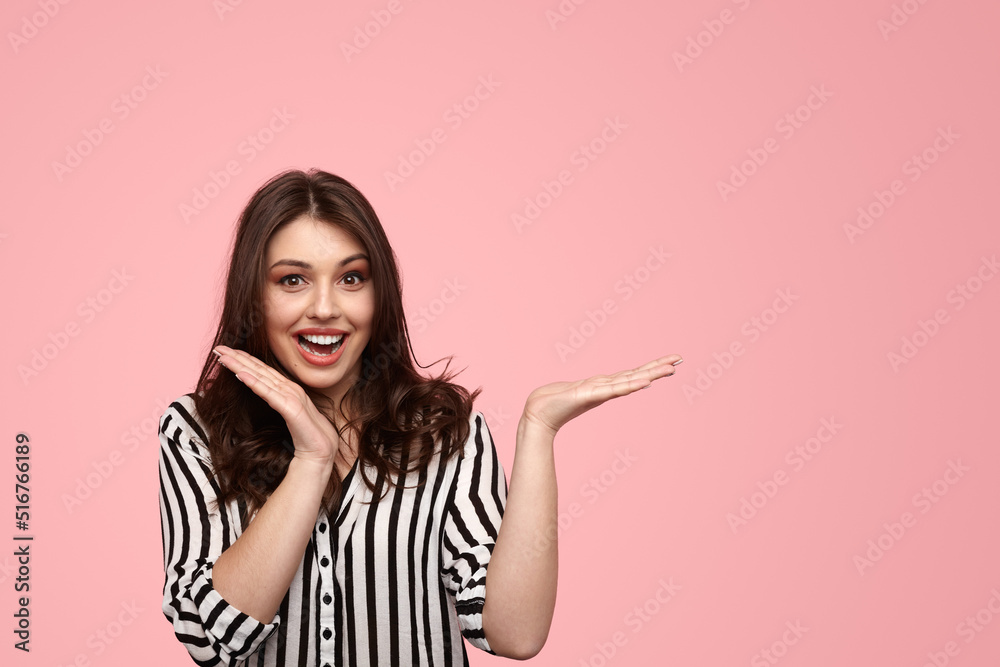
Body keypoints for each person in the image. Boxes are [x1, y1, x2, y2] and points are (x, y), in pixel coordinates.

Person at [157, 169, 682, 666]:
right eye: (293, 280)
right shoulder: (194, 432)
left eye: (352, 278)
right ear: (254, 295)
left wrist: (538, 430)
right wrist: (312, 460)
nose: (324, 308)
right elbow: (213, 638)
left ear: (379, 293)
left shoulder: (444, 433)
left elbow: (515, 633)